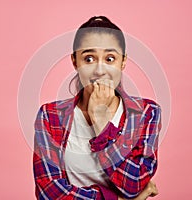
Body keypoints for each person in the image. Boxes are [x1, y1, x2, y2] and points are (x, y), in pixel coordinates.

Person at [33, 16, 162, 200]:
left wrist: (101, 124)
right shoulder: (50, 116)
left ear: (123, 62)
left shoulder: (146, 113)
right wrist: (115, 199)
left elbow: (133, 184)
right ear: (75, 61)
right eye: (89, 58)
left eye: (110, 58)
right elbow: (49, 192)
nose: (99, 70)